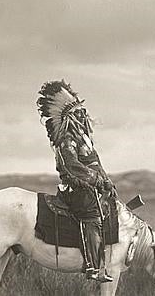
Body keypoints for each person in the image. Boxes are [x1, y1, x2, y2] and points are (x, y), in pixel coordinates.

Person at [37, 80, 117, 283]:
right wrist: (96, 180)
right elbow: (73, 167)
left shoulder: (84, 139)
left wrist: (107, 182)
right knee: (92, 215)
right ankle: (93, 266)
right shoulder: (66, 140)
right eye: (79, 112)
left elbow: (95, 163)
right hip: (76, 190)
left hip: (92, 187)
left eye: (83, 111)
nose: (84, 115)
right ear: (70, 117)